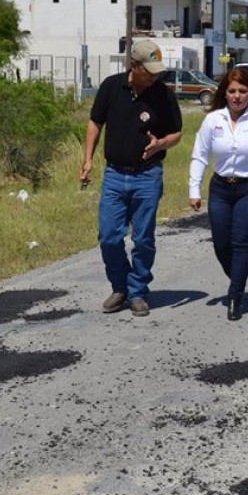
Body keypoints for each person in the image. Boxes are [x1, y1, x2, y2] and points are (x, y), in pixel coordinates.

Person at [80, 39, 183, 317]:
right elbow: (95, 122)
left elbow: (176, 133)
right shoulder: (111, 87)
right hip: (114, 175)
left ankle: (137, 290)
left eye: (157, 71)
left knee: (143, 239)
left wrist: (161, 144)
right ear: (133, 66)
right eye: (148, 70)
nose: (154, 76)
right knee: (109, 237)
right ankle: (120, 286)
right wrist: (88, 159)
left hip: (147, 176)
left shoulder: (163, 94)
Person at [189, 68, 248, 320]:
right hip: (221, 188)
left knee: (240, 241)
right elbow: (200, 155)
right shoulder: (213, 120)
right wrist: (194, 189)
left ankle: (235, 296)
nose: (236, 96)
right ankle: (239, 276)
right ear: (224, 92)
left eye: (242, 91)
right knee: (221, 243)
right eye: (232, 91)